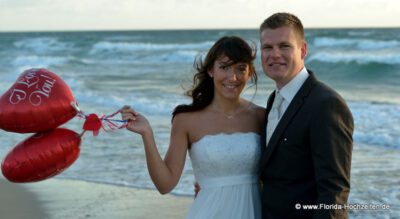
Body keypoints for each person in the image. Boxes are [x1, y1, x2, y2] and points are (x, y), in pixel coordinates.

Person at [121, 36, 265, 219]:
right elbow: (165, 184)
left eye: (241, 68)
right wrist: (147, 134)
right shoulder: (186, 120)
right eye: (224, 67)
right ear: (211, 70)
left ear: (250, 72)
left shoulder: (261, 116)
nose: (233, 77)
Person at [258, 12, 354, 218]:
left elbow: (334, 192)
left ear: (303, 50)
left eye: (284, 46)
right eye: (267, 47)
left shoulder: (326, 104)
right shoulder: (274, 99)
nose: (274, 54)